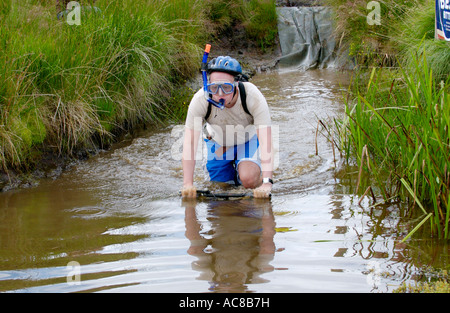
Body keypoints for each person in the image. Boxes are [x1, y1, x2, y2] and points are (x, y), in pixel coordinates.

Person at [181, 55, 273, 199]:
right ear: (207, 85)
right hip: (217, 142)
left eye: (226, 88)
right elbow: (190, 144)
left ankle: (254, 173)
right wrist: (187, 183)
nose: (220, 94)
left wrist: (267, 183)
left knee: (248, 180)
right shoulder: (200, 100)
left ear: (236, 84)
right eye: (214, 88)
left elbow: (266, 141)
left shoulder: (252, 96)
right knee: (220, 187)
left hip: (247, 140)